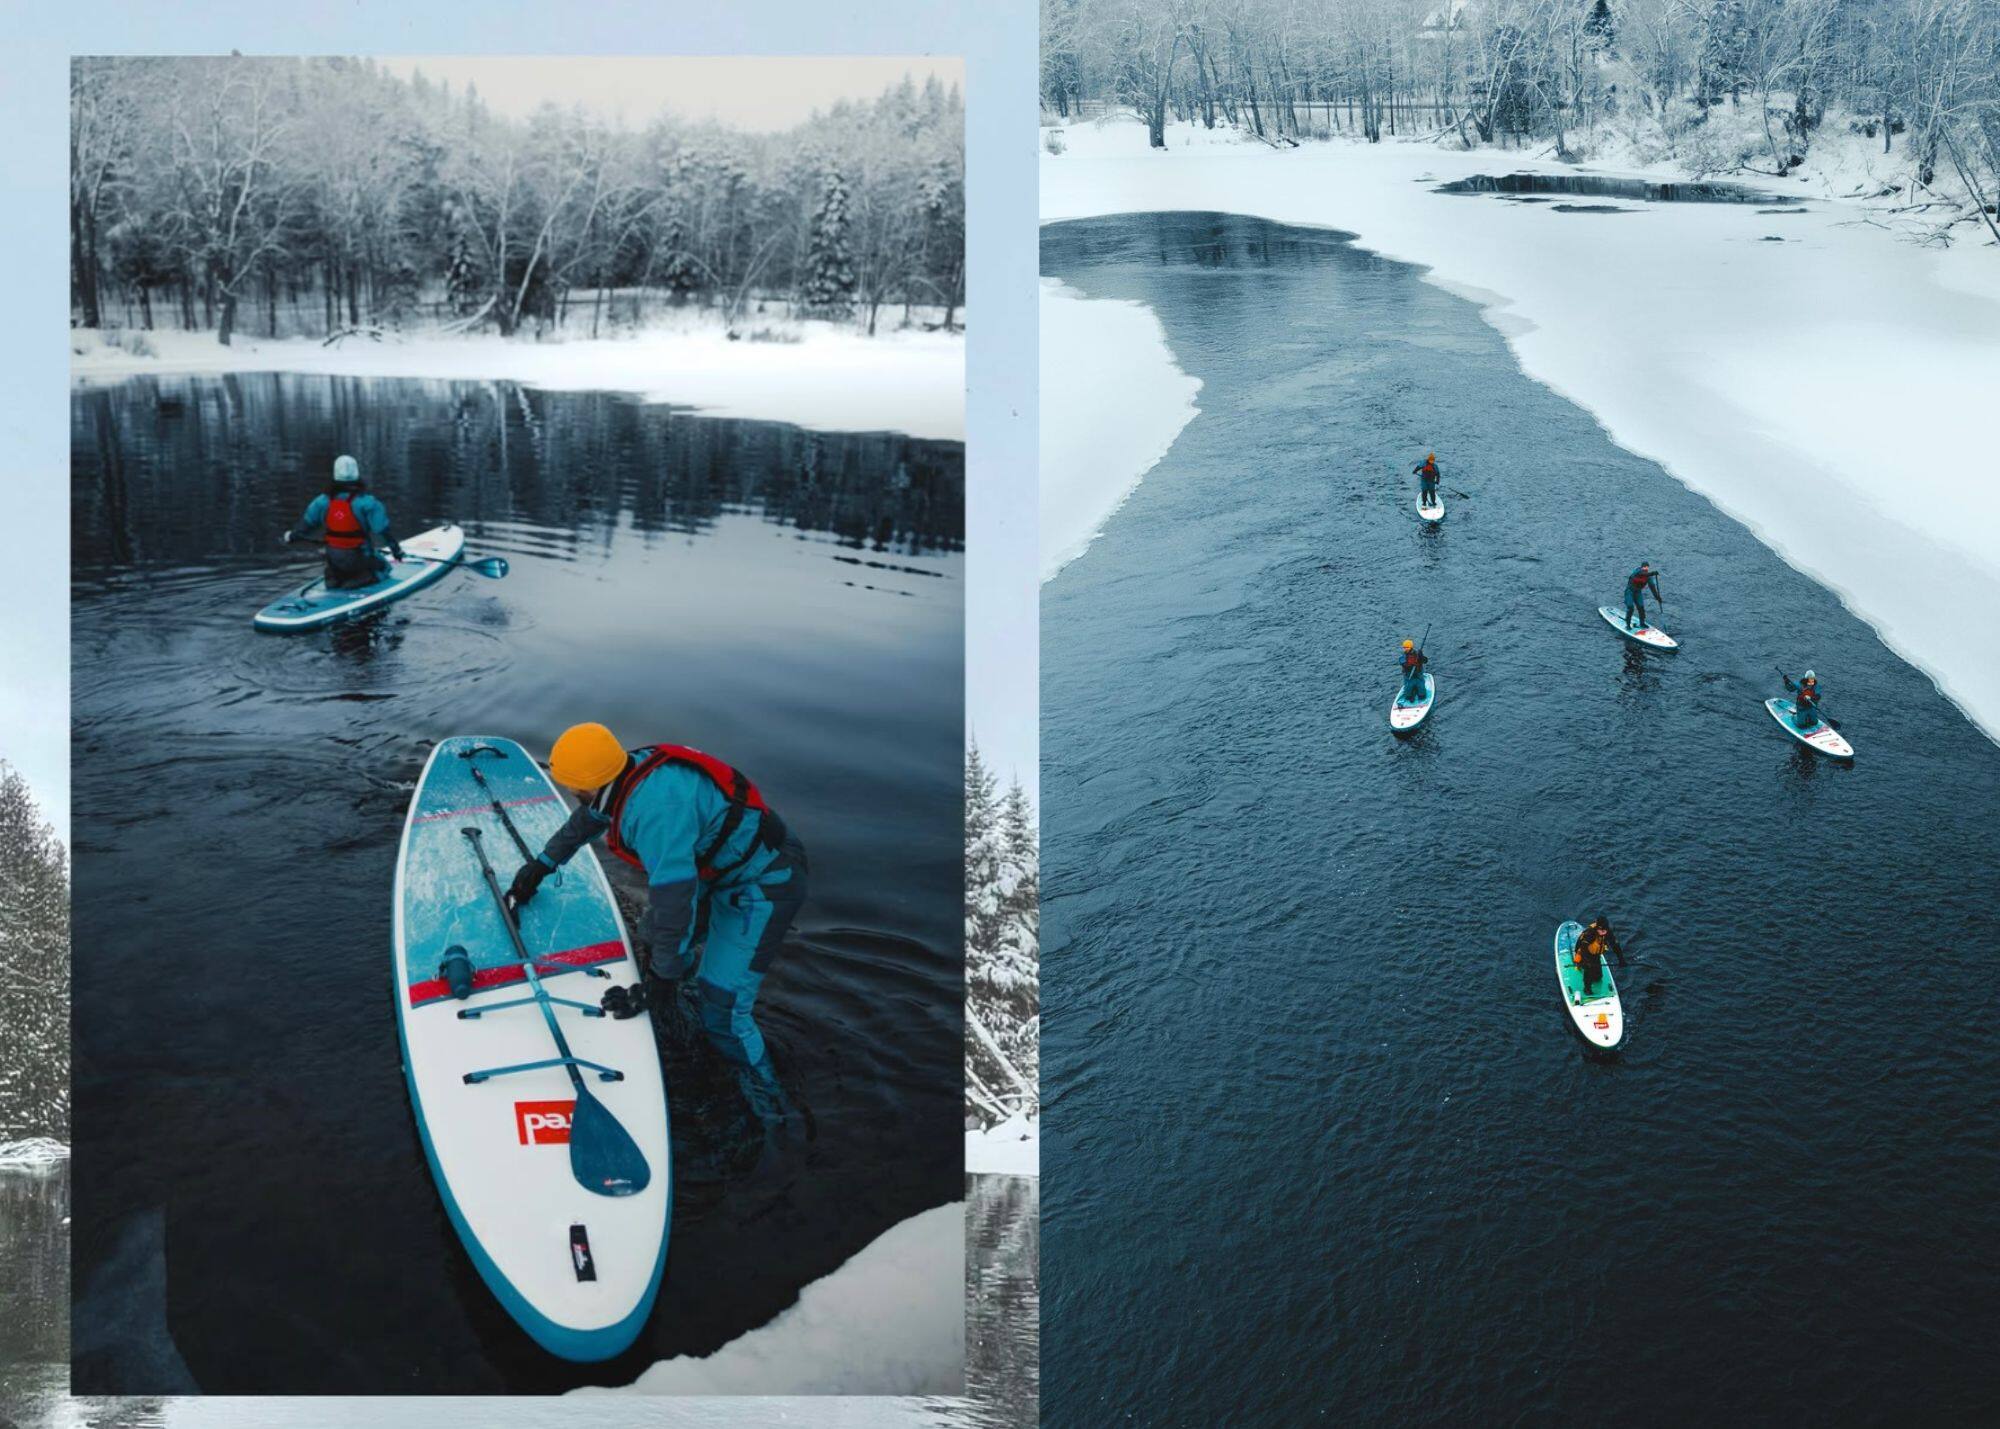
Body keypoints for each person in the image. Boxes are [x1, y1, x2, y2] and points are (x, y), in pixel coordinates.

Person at [507, 722, 808, 1125]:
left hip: (764, 882)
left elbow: (673, 903)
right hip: (719, 870)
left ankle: (770, 1105)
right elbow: (589, 819)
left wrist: (660, 981)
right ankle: (678, 985)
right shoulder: (621, 772)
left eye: (569, 786)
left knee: (723, 1011)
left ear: (583, 784)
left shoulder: (655, 812)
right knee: (656, 943)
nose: (571, 793)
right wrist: (542, 866)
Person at [282, 455, 403, 590]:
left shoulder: (321, 501)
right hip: (359, 560)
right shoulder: (369, 503)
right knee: (385, 567)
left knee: (337, 574)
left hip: (334, 561)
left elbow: (305, 527)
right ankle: (367, 579)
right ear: (357, 475)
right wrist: (396, 551)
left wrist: (291, 536)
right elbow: (382, 530)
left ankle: (337, 582)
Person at [1574, 916, 1622, 995]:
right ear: (1597, 928)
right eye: (1601, 930)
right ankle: (1587, 989)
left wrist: (1621, 960)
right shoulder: (1590, 933)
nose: (1604, 932)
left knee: (1597, 978)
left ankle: (1590, 971)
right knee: (1588, 970)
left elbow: (1615, 946)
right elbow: (1583, 949)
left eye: (1605, 930)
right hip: (1585, 953)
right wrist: (1588, 962)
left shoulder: (1608, 932)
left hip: (1595, 955)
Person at [1622, 562, 1662, 629]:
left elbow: (1653, 588)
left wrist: (1658, 597)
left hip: (1638, 592)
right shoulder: (1637, 571)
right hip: (1629, 591)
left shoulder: (1649, 577)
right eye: (1644, 567)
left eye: (1647, 567)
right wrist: (1652, 573)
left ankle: (1642, 623)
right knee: (1630, 607)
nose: (1645, 568)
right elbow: (1642, 574)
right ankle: (1628, 625)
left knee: (1641, 607)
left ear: (1648, 568)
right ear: (1641, 567)